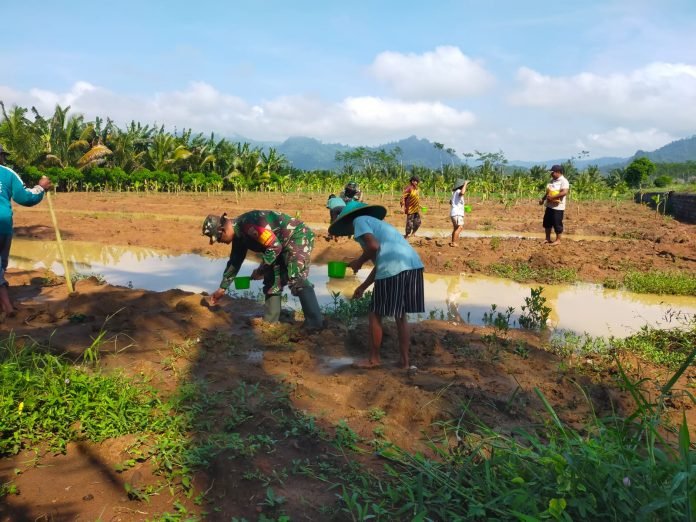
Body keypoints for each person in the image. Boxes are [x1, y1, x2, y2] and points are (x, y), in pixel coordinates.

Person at [328, 201, 425, 371]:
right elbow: (380, 263)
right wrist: (363, 287)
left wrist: (359, 261)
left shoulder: (359, 220)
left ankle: (374, 359)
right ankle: (404, 362)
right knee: (400, 315)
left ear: (348, 219)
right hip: (413, 265)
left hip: (395, 268)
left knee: (375, 314)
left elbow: (374, 247)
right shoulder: (376, 225)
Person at [202, 210, 324, 330]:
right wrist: (222, 288)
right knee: (271, 279)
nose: (220, 242)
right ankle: (271, 321)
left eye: (218, 239)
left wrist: (260, 270)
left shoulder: (248, 226)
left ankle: (315, 324)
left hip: (297, 236)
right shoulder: (238, 236)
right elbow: (235, 261)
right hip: (278, 244)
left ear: (222, 230)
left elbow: (274, 246)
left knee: (296, 276)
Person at [0, 144, 51, 314]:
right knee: (1, 266)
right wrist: (41, 187)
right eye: (3, 156)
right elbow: (25, 197)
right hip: (4, 226)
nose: (4, 159)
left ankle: (7, 307)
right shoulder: (8, 173)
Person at [539, 164, 570, 245]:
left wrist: (553, 197)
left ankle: (558, 240)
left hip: (558, 207)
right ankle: (547, 238)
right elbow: (548, 192)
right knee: (547, 222)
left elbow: (564, 192)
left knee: (557, 223)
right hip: (549, 206)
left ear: (558, 172)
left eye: (552, 172)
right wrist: (543, 199)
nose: (551, 174)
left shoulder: (564, 181)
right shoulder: (552, 181)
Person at [449, 178, 469, 247]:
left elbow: (450, 202)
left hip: (453, 213)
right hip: (457, 213)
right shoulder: (458, 191)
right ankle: (454, 243)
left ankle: (453, 242)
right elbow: (462, 193)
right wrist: (465, 184)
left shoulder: (454, 193)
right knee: (460, 227)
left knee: (455, 228)